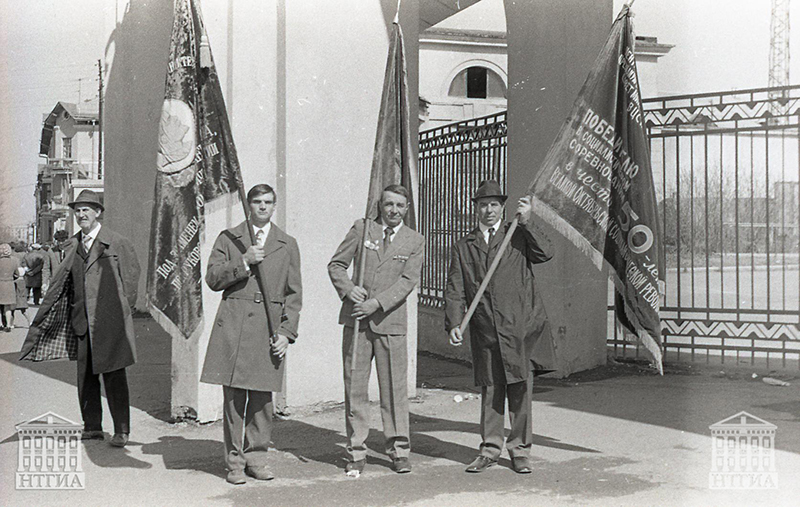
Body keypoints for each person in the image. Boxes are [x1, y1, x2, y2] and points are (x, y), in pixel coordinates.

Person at [444, 180, 553, 475]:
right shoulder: (464, 246)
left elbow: (546, 253)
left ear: (502, 207)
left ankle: (520, 451)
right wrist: (454, 322)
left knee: (520, 388)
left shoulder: (516, 235)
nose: (488, 210)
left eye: (494, 204)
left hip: (518, 326)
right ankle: (490, 450)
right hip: (485, 328)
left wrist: (528, 221)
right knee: (491, 391)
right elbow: (455, 288)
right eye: (483, 204)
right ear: (475, 208)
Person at [19, 189, 140, 448]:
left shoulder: (117, 243)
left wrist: (119, 313)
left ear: (98, 213)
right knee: (85, 377)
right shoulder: (73, 245)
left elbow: (131, 282)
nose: (81, 214)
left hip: (110, 323)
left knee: (114, 376)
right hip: (81, 322)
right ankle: (93, 427)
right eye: (78, 210)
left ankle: (121, 430)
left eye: (87, 209)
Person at [200, 184, 302, 485]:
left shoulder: (287, 243)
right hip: (233, 326)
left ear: (274, 206)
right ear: (249, 204)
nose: (262, 207)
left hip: (268, 328)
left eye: (268, 202)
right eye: (257, 202)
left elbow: (294, 295)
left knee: (262, 400)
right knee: (233, 400)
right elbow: (212, 279)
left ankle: (257, 458)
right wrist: (243, 261)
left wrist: (286, 332)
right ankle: (234, 463)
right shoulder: (229, 238)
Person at [327, 184, 425, 477]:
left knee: (394, 391)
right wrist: (348, 290)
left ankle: (398, 451)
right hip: (357, 321)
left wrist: (376, 303)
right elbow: (336, 265)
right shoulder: (362, 229)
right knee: (355, 389)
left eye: (400, 206)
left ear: (407, 209)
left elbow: (408, 281)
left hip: (390, 323)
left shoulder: (415, 240)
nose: (394, 211)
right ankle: (356, 452)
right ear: (380, 206)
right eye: (389, 204)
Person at [0, 244, 19, 332]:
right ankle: (8, 325)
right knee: (7, 306)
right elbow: (17, 274)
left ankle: (0, 324)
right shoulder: (15, 261)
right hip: (9, 284)